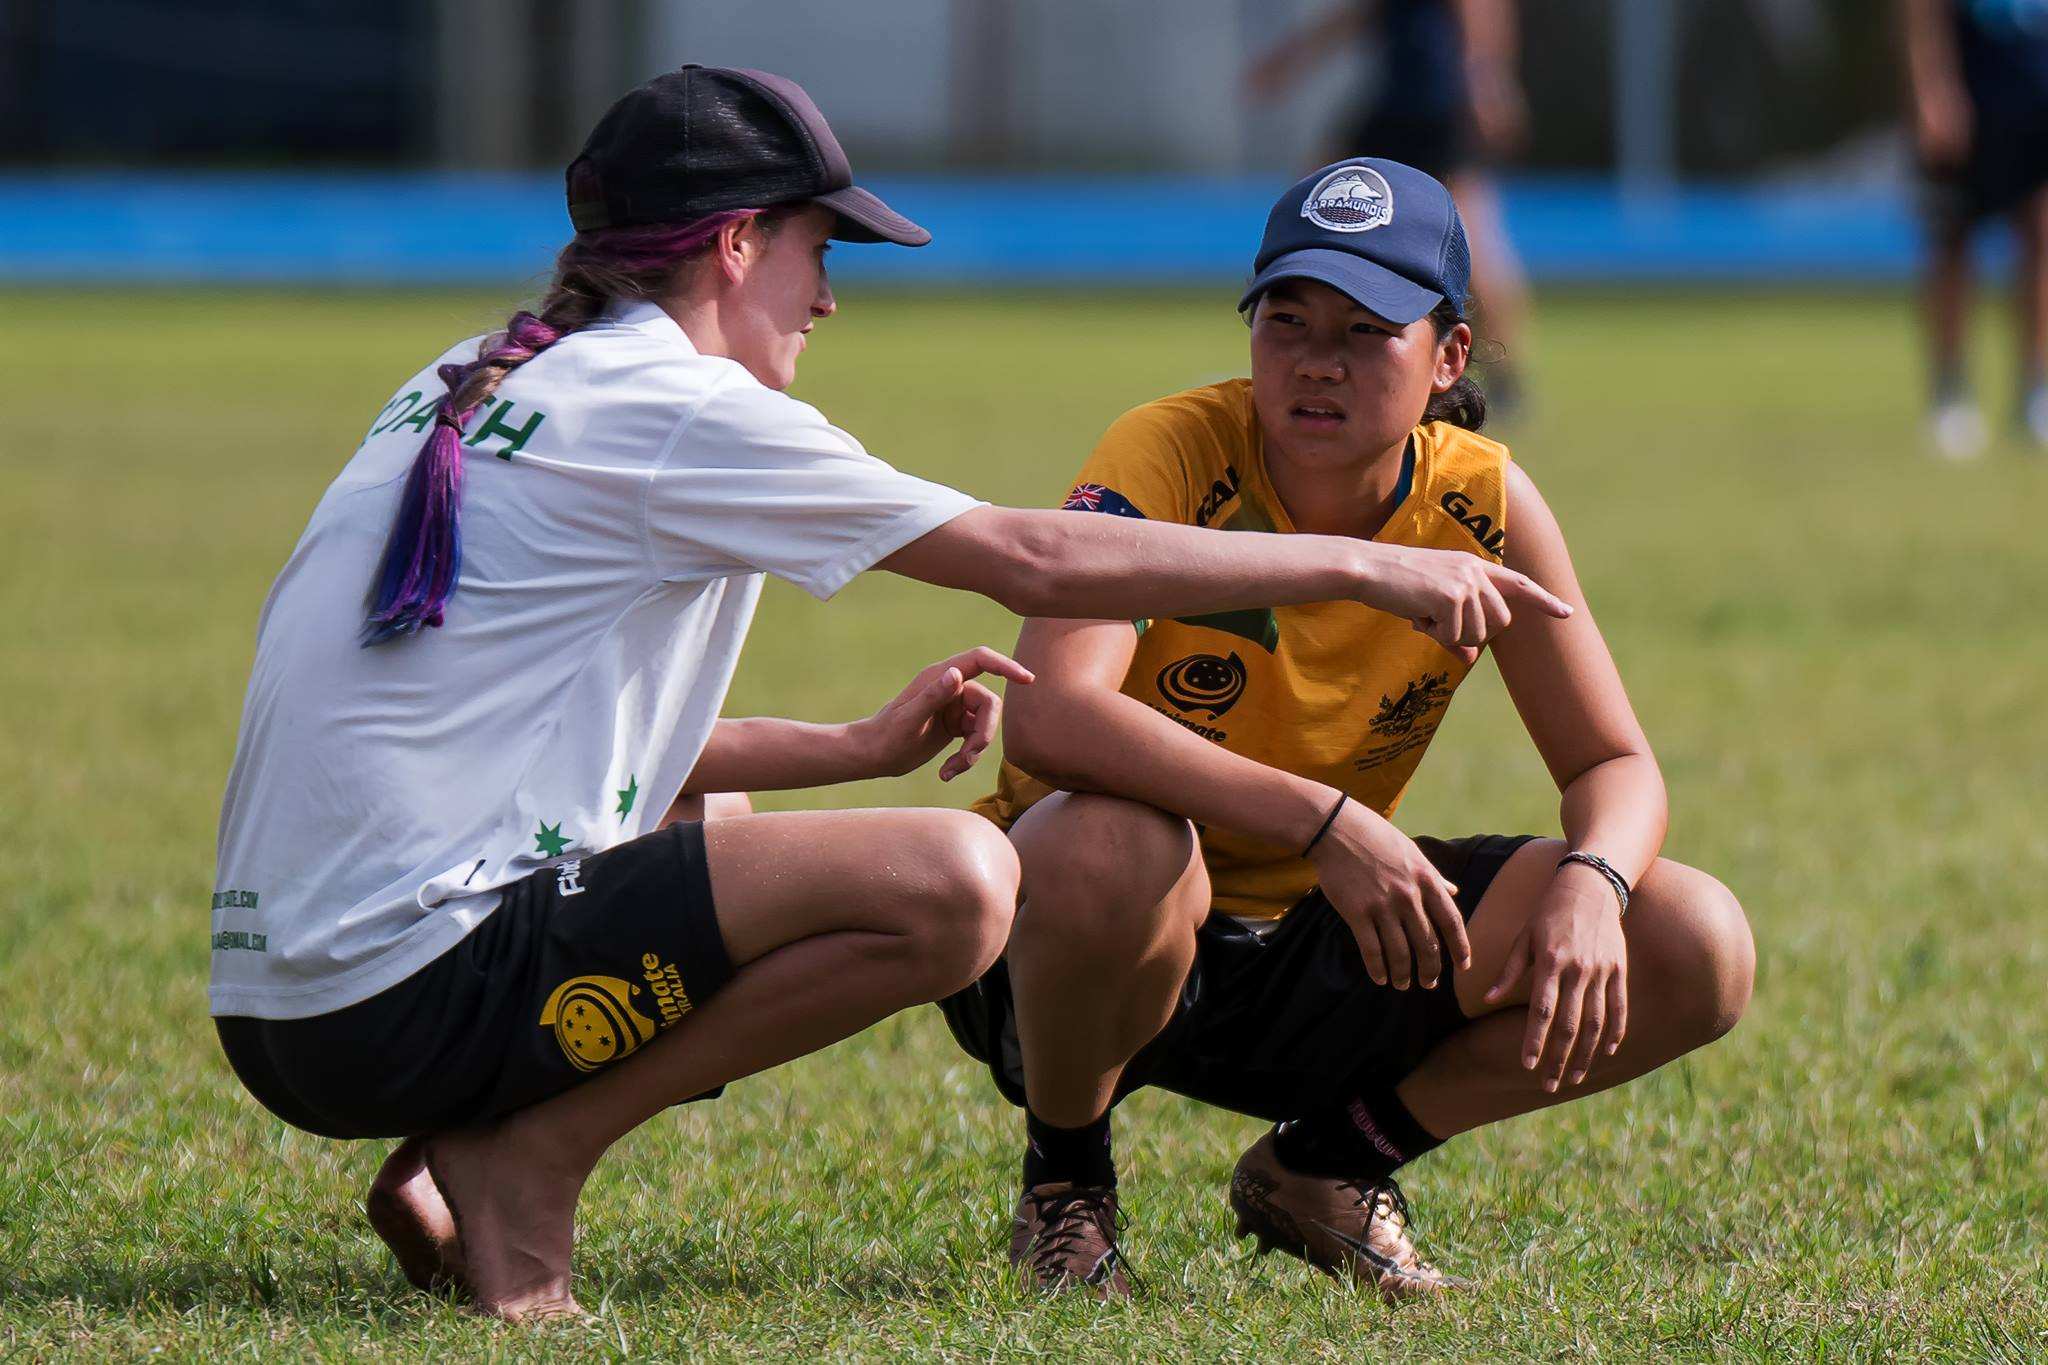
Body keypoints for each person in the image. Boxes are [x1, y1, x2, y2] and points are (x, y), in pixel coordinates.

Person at [207, 70, 1569, 1322]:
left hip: (290, 1003)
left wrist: (860, 746)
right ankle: (526, 1164)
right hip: (398, 990)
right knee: (959, 883)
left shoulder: (476, 378)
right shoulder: (676, 405)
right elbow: (1030, 556)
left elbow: (565, 744)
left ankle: (452, 1158)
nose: (829, 296)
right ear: (737, 244)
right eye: (820, 248)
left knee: (719, 804)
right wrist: (1359, 565)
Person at [939, 159, 1755, 1300]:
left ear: (1448, 359)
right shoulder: (1168, 451)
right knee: (1112, 840)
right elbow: (1051, 718)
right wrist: (1321, 818)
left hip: (1324, 936)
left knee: (1694, 940)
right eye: (1287, 321)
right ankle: (1064, 1186)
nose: (1315, 361)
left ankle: (1325, 1165)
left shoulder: (1485, 502)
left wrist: (1595, 885)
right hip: (1082, 939)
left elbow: (1611, 764)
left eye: (1367, 331)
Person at [1247, 0, 1532, 418]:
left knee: (1473, 240)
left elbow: (1481, 12)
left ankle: (1507, 373)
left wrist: (1487, 82)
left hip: (1438, 105)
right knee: (1312, 198)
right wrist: (1292, 58)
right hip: (1394, 102)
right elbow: (1358, 15)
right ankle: (1285, 337)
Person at [1901, 0, 2048, 457]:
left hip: (2037, 77)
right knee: (1952, 241)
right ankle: (1950, 392)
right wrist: (1931, 86)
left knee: (2042, 234)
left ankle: (2036, 391)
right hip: (1970, 78)